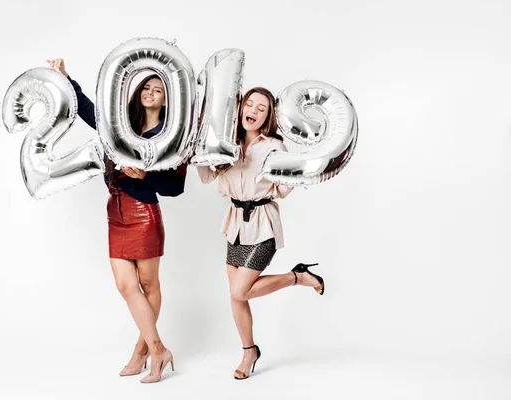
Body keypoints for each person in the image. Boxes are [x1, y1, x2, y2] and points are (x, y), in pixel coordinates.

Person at [47, 59, 185, 383]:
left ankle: (146, 351)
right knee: (126, 285)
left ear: (166, 100)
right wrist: (66, 77)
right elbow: (88, 110)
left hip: (144, 212)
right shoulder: (121, 126)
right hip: (116, 212)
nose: (151, 92)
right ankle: (158, 350)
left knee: (148, 285)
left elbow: (176, 187)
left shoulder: (169, 137)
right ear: (139, 93)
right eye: (147, 87)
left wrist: (145, 175)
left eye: (159, 90)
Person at [197, 87, 324, 380]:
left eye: (261, 108)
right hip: (234, 225)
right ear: (240, 108)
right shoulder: (226, 142)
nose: (252, 111)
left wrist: (282, 172)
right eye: (249, 104)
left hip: (263, 222)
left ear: (267, 118)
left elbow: (284, 190)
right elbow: (206, 177)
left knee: (239, 290)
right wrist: (204, 149)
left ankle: (298, 277)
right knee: (237, 297)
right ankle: (248, 351)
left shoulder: (274, 147)